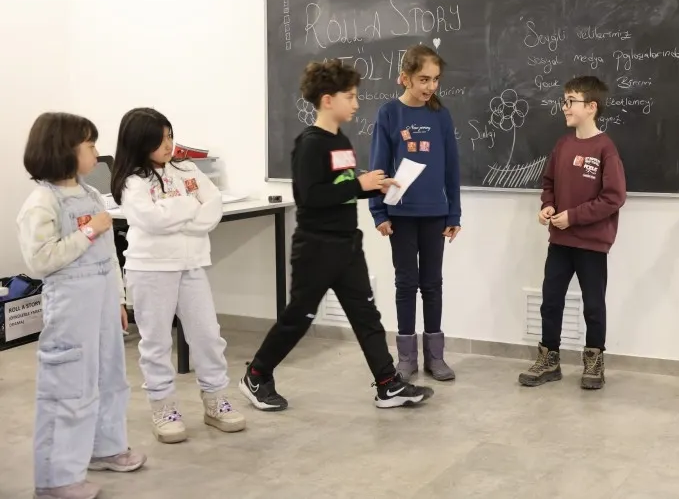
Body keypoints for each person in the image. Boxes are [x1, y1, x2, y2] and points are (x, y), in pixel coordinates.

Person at [240, 59, 434, 410]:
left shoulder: (340, 140)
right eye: (350, 96)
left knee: (366, 315)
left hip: (347, 245)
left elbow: (340, 188)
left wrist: (371, 186)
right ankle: (256, 374)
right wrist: (359, 185)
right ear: (328, 100)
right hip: (316, 248)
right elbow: (310, 196)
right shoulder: (310, 144)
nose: (356, 103)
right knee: (298, 317)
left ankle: (387, 384)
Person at [17, 112, 145, 499]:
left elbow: (109, 256)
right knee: (69, 386)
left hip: (102, 300)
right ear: (64, 150)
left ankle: (105, 448)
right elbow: (40, 260)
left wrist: (119, 299)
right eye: (90, 145)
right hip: (72, 305)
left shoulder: (90, 194)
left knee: (109, 377)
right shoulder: (42, 202)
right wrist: (88, 231)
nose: (96, 152)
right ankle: (57, 478)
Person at [110, 107, 245, 444]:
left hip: (192, 264)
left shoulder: (187, 169)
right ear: (139, 142)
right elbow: (150, 220)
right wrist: (188, 206)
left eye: (170, 136)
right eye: (160, 140)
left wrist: (179, 214)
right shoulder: (133, 181)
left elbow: (212, 204)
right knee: (156, 342)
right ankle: (164, 406)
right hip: (150, 268)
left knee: (208, 335)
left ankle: (215, 399)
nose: (169, 145)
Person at [518, 76, 626, 390]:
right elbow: (548, 183)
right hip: (560, 241)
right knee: (551, 300)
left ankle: (594, 362)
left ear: (591, 107)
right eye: (564, 101)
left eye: (571, 101)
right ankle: (549, 360)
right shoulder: (563, 145)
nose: (564, 107)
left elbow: (613, 197)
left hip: (592, 244)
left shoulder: (606, 149)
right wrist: (548, 206)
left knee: (593, 305)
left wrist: (574, 217)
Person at [369, 44, 461, 381]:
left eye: (435, 79)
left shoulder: (441, 115)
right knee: (406, 284)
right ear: (405, 78)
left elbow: (452, 169)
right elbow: (378, 168)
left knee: (432, 284)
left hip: (435, 214)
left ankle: (435, 357)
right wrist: (379, 213)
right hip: (401, 215)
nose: (430, 86)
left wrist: (454, 215)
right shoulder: (389, 114)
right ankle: (406, 358)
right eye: (424, 79)